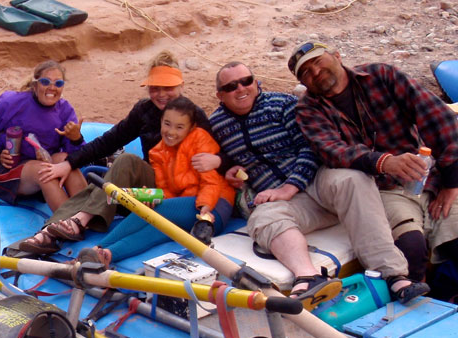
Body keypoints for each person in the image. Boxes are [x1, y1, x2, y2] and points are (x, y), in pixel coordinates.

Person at [209, 60, 426, 306]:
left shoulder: (283, 105)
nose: (240, 89)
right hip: (289, 203)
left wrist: (289, 187)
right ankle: (308, 277)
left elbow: (310, 149)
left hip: (317, 182)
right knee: (261, 218)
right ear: (219, 95)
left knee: (353, 178)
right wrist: (226, 167)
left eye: (246, 81)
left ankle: (393, 275)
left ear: (256, 82)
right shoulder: (216, 123)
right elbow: (217, 152)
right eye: (231, 86)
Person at [291, 41, 458, 290]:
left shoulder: (382, 76)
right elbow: (334, 152)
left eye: (317, 62)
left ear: (337, 56)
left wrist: (451, 182)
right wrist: (384, 163)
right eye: (305, 72)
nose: (315, 72)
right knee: (411, 248)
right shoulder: (308, 110)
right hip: (382, 189)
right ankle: (420, 306)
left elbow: (438, 119)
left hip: (428, 176)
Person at [15, 51, 213, 255]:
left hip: (169, 196)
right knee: (105, 185)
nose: (161, 94)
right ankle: (54, 230)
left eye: (168, 88)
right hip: (146, 189)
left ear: (181, 86)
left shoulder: (195, 117)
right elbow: (110, 141)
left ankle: (72, 224)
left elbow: (213, 166)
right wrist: (70, 162)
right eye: (155, 88)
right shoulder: (145, 110)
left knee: (114, 176)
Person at [88, 96, 233, 264]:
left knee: (155, 213)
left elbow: (212, 182)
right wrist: (154, 198)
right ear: (161, 122)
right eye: (167, 124)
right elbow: (168, 191)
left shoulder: (199, 139)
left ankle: (97, 248)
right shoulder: (157, 152)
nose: (171, 132)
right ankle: (107, 254)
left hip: (213, 206)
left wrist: (204, 209)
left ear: (191, 127)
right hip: (186, 206)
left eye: (179, 127)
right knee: (157, 228)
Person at [0, 60, 87, 211]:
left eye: (58, 83)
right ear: (35, 85)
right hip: (8, 171)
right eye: (45, 81)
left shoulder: (65, 111)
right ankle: (69, 222)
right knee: (43, 170)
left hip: (43, 167)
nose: (52, 88)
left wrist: (76, 139)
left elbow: (77, 156)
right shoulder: (10, 103)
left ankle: (88, 212)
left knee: (64, 160)